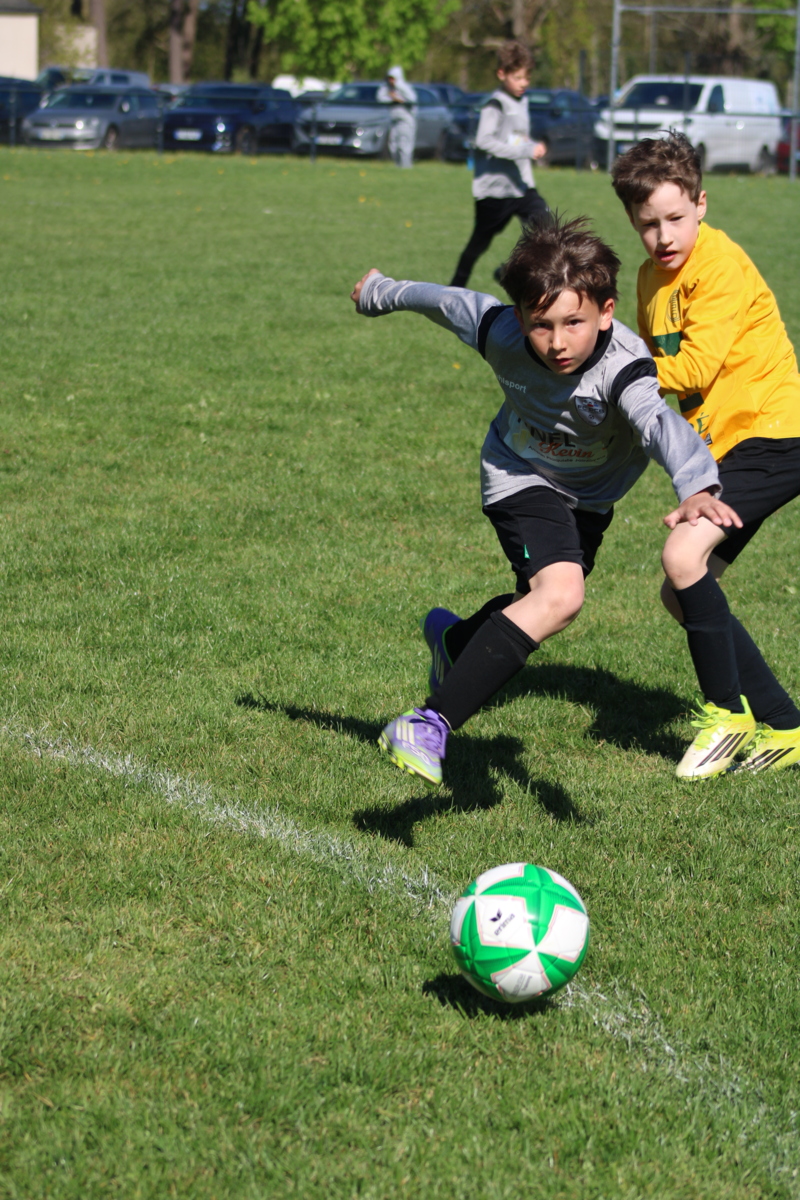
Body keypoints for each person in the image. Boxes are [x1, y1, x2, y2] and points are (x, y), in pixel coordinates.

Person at [350, 216, 741, 787]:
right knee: (561, 594)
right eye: (542, 326)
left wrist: (696, 485)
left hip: (588, 502)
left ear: (606, 312)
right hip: (518, 476)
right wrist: (380, 292)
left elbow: (658, 423)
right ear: (519, 318)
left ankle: (456, 641)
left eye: (573, 323)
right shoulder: (499, 331)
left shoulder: (624, 368)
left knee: (532, 603)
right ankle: (426, 723)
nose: (558, 343)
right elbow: (444, 301)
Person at [611, 131, 800, 778]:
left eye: (675, 218)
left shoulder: (717, 265)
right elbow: (649, 370)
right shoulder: (649, 277)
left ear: (701, 204)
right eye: (648, 225)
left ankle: (726, 714)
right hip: (728, 447)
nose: (663, 237)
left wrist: (610, 371)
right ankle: (786, 725)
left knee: (682, 556)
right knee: (684, 592)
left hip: (773, 435)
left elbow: (690, 367)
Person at [450, 41, 549, 289]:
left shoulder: (522, 101)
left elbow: (515, 137)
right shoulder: (494, 105)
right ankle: (455, 288)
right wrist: (525, 149)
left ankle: (508, 271)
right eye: (518, 78)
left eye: (527, 77)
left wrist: (530, 144)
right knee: (479, 243)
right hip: (495, 191)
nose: (524, 83)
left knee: (547, 230)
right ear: (501, 74)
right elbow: (484, 141)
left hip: (520, 186)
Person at [377, 66, 417, 169]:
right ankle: (398, 166)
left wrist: (398, 97)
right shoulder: (387, 88)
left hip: (405, 121)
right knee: (393, 144)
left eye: (393, 78)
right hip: (394, 120)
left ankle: (406, 166)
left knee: (404, 143)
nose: (391, 81)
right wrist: (392, 98)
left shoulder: (404, 87)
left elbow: (412, 98)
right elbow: (380, 97)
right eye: (389, 78)